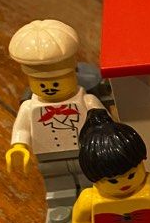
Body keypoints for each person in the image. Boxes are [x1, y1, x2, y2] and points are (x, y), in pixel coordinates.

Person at [6, 20, 106, 202]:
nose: (49, 88)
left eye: (56, 82)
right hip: (48, 155)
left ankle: (93, 200)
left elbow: (104, 123)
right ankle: (59, 205)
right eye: (42, 84)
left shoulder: (87, 101)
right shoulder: (29, 107)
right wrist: (19, 146)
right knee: (57, 183)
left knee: (90, 178)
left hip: (85, 151)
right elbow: (22, 128)